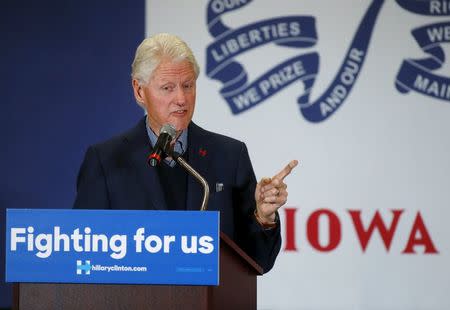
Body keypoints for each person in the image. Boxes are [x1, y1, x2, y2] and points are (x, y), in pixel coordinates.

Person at [73, 33, 298, 272]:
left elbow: (258, 260)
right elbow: (83, 252)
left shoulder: (230, 156)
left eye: (188, 85)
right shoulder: (106, 160)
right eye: (168, 88)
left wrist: (263, 217)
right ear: (139, 91)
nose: (181, 98)